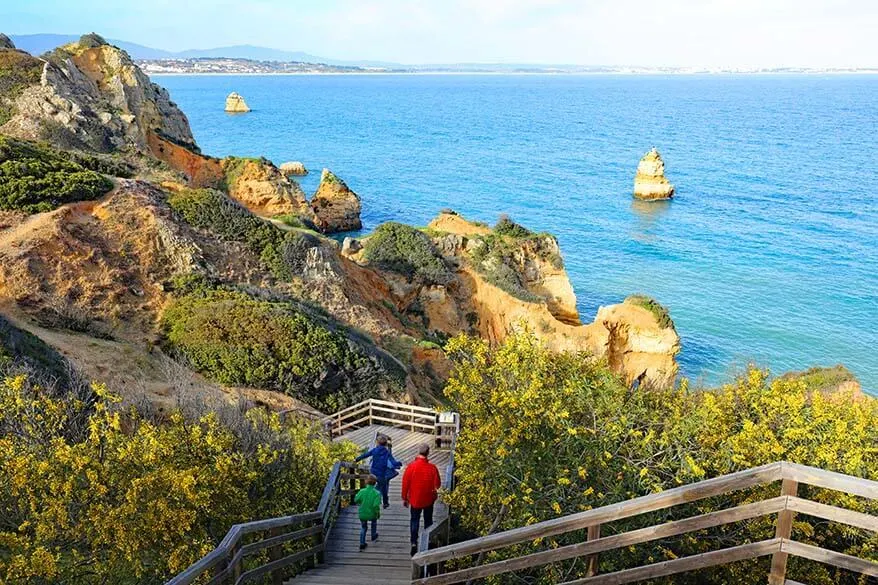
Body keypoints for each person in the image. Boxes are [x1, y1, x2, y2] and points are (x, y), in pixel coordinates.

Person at [401, 443, 442, 556]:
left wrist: (405, 498)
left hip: (415, 499)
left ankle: (414, 542)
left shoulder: (411, 467)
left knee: (414, 520)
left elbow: (405, 483)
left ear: (418, 452)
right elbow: (437, 485)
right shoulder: (432, 468)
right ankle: (428, 541)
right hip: (428, 498)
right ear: (428, 453)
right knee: (428, 520)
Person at [355, 434, 400, 508]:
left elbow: (366, 454)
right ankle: (385, 503)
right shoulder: (387, 452)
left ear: (377, 443)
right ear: (386, 444)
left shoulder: (374, 450)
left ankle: (368, 499)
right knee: (384, 488)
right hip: (382, 473)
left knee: (370, 485)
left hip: (373, 472)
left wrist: (358, 459)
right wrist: (397, 464)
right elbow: (392, 460)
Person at [354, 474, 381, 551]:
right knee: (374, 523)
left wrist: (360, 501)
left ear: (366, 482)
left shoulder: (362, 491)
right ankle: (373, 535)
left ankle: (362, 543)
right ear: (375, 483)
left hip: (363, 513)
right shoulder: (377, 493)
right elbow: (376, 506)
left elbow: (356, 500)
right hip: (372, 514)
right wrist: (377, 513)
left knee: (363, 527)